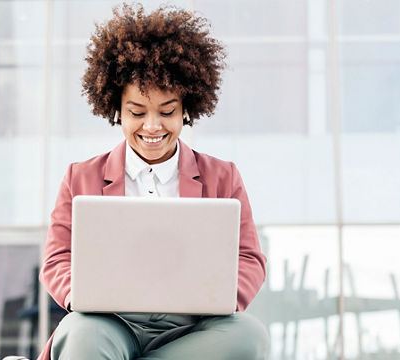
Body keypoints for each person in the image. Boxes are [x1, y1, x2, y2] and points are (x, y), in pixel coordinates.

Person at [37, 4, 268, 359]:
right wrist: (79, 295)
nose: (152, 126)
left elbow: (249, 258)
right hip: (107, 323)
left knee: (249, 336)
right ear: (116, 108)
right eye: (137, 112)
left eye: (167, 111)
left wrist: (221, 298)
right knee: (79, 334)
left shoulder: (223, 177)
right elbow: (57, 259)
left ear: (187, 108)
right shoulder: (80, 177)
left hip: (194, 327)